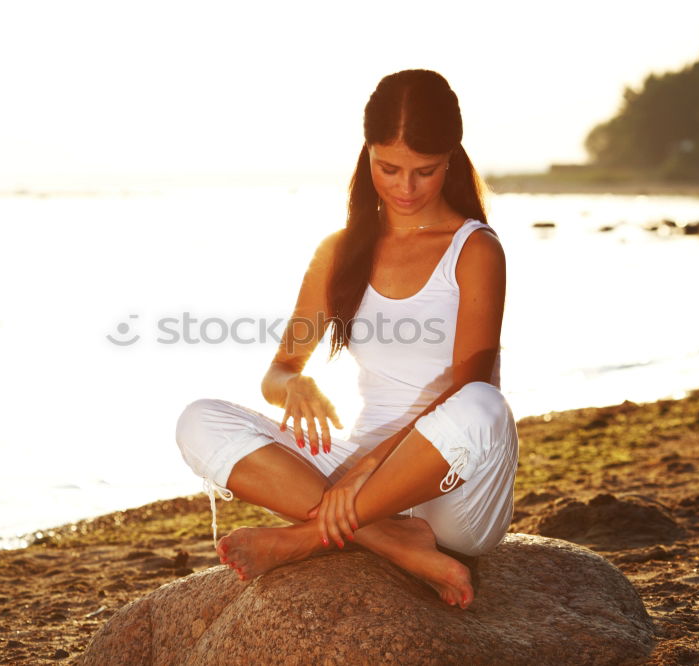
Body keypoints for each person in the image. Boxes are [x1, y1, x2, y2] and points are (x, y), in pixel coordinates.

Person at [174, 69, 518, 610]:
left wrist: (363, 471)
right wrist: (294, 385)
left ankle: (308, 537)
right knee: (198, 421)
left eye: (423, 171)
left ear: (451, 157)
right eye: (389, 168)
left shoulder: (474, 250)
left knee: (483, 404)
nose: (405, 188)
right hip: (360, 474)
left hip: (453, 489)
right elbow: (280, 367)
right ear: (367, 153)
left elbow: (467, 388)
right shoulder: (339, 251)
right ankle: (388, 540)